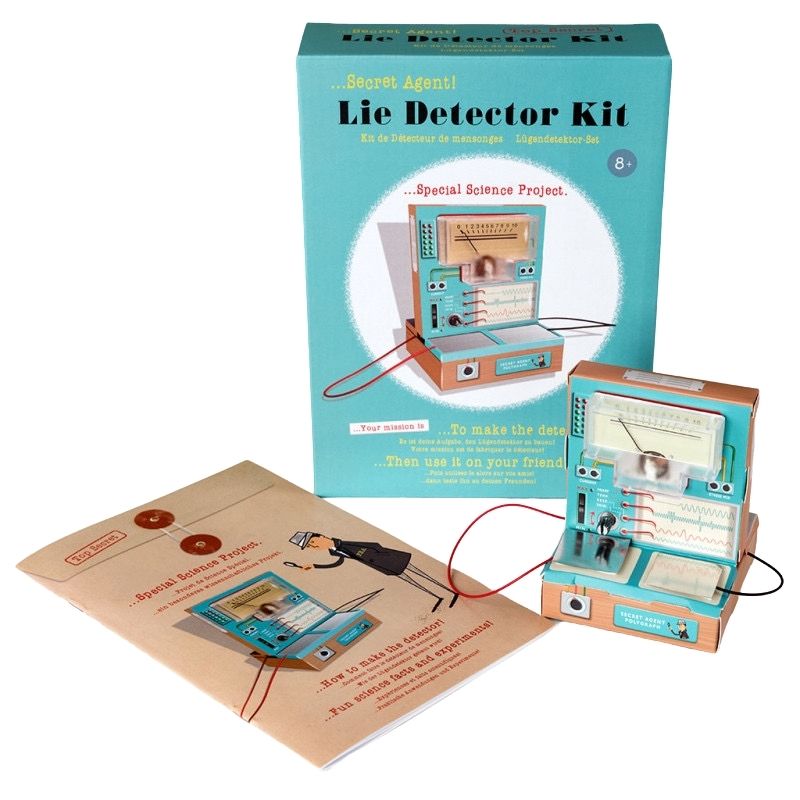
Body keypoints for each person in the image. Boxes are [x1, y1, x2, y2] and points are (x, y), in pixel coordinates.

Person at [288, 531, 458, 613]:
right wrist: (314, 566)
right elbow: (338, 562)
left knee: (420, 574)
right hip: (380, 565)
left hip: (389, 559)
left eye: (313, 543)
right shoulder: (334, 551)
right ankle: (438, 597)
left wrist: (386, 555)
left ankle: (450, 592)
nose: (314, 547)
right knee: (410, 580)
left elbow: (374, 545)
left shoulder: (345, 542)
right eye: (311, 547)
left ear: (321, 537)